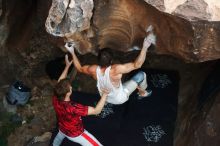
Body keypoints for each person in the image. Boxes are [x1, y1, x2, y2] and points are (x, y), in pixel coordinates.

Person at [65, 31, 156, 104]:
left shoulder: (92, 69)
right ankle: (142, 93)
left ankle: (105, 102)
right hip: (119, 98)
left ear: (98, 60)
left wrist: (72, 52)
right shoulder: (116, 69)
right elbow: (137, 65)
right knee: (141, 75)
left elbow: (79, 68)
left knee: (107, 90)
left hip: (105, 97)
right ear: (112, 61)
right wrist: (145, 47)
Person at [52, 54, 109, 146]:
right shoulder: (73, 107)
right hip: (76, 134)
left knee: (58, 139)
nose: (71, 87)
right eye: (70, 88)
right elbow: (96, 111)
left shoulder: (56, 97)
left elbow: (60, 81)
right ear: (68, 93)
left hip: (62, 127)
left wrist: (67, 66)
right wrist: (105, 94)